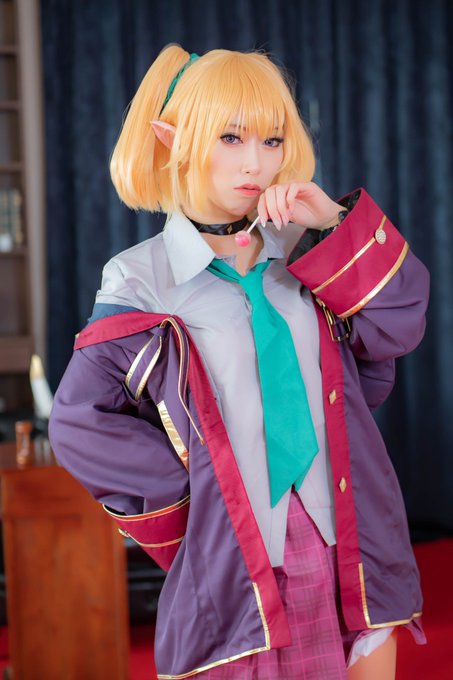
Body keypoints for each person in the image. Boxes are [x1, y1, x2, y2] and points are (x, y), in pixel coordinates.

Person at [49, 44, 429, 680]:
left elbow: (399, 324)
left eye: (272, 139)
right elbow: (81, 422)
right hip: (240, 555)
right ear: (173, 140)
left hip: (350, 537)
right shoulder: (141, 281)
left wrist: (333, 220)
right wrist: (195, 499)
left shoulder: (313, 247)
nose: (256, 162)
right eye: (230, 137)